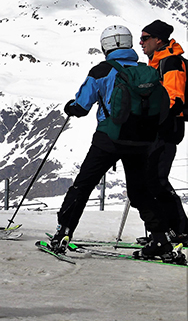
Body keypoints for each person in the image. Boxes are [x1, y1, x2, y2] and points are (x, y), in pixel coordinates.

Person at [54, 25, 175, 259]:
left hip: (109, 139)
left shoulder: (102, 70)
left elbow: (81, 107)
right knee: (140, 191)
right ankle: (160, 240)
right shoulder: (144, 70)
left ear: (106, 46)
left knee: (83, 185)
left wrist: (69, 106)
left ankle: (63, 234)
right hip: (141, 141)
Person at [139, 20, 187, 242]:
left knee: (157, 179)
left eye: (145, 38)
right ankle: (169, 230)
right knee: (153, 179)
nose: (141, 42)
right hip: (162, 127)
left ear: (158, 39)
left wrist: (155, 121)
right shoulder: (158, 63)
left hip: (167, 127)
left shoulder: (170, 62)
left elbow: (174, 98)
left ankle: (180, 230)